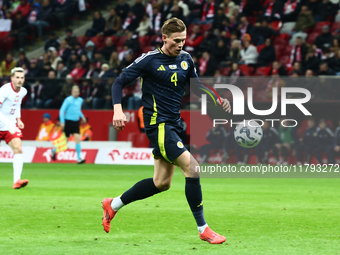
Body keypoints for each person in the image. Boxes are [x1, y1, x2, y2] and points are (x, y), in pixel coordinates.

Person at [102, 17, 231, 244]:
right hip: (158, 125)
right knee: (193, 168)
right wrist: (118, 110)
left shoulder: (186, 59)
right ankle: (203, 229)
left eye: (183, 40)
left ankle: (112, 205)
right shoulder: (149, 60)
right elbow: (118, 83)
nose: (180, 45)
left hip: (174, 124)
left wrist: (218, 98)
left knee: (161, 183)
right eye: (176, 40)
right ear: (164, 38)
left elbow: (197, 87)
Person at [0, 67, 29, 189]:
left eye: (22, 78)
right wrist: (7, 122)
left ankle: (17, 181)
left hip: (9, 125)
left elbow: (17, 104)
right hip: (4, 122)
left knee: (18, 148)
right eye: (17, 77)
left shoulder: (23, 91)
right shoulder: (4, 90)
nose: (19, 80)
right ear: (12, 78)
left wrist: (18, 119)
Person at [52, 85, 86, 164]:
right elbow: (62, 110)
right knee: (65, 141)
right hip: (68, 121)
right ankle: (54, 150)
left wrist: (82, 116)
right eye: (74, 92)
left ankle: (79, 158)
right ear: (72, 92)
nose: (76, 93)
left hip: (76, 122)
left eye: (77, 92)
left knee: (77, 138)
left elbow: (78, 110)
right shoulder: (68, 100)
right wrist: (62, 121)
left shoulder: (80, 100)